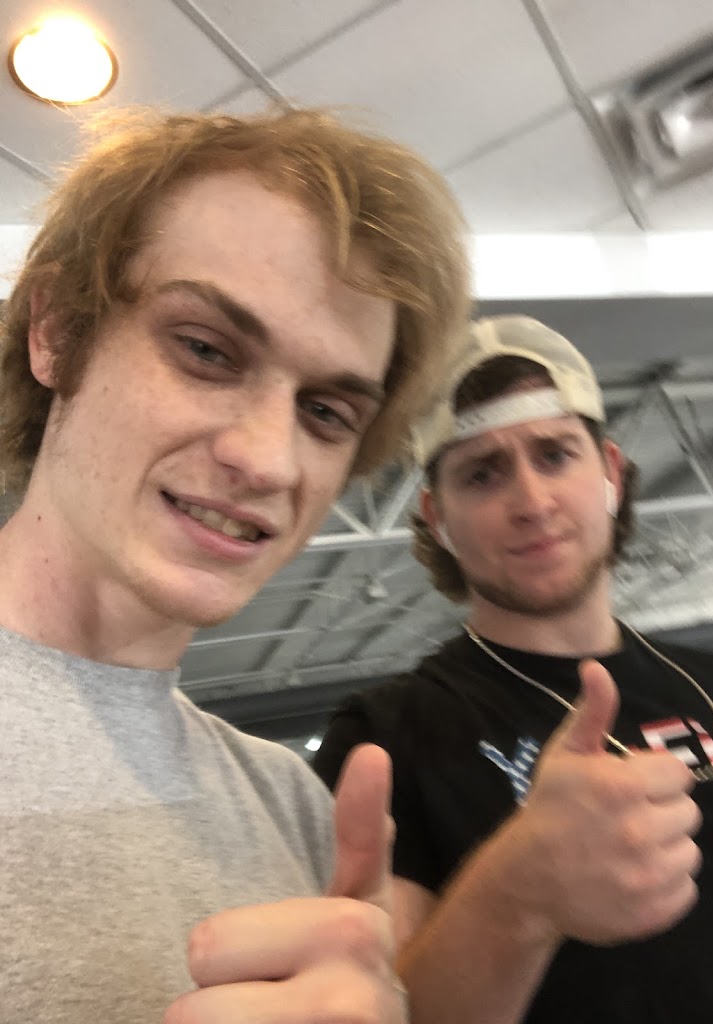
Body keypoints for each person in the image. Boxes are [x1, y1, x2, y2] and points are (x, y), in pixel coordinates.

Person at [0, 105, 470, 1023]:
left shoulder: (290, 805)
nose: (267, 460)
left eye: (326, 412)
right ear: (55, 329)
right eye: (206, 351)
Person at [314, 315, 713, 1024]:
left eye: (554, 455)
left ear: (609, 473)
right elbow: (385, 1009)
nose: (531, 502)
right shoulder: (385, 742)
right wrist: (515, 896)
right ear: (436, 517)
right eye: (482, 473)